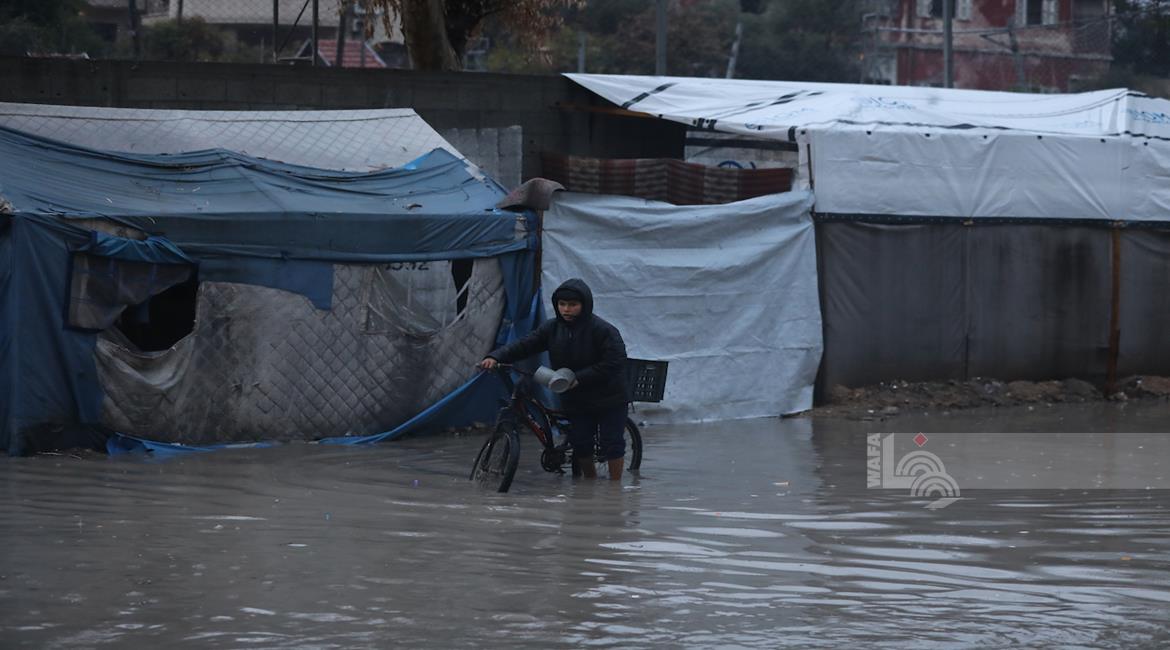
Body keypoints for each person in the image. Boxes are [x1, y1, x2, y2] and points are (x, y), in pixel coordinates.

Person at [479, 278, 629, 480]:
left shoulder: (604, 330)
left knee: (612, 443)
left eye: (573, 305)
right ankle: (590, 484)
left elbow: (615, 362)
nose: (566, 309)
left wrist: (579, 378)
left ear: (584, 305)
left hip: (609, 396)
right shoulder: (552, 329)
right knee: (581, 443)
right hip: (575, 397)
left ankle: (615, 488)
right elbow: (525, 345)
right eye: (562, 304)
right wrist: (495, 356)